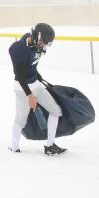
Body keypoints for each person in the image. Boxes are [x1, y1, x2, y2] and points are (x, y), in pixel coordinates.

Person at [8, 23, 66, 156]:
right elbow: (20, 75)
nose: (44, 46)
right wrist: (29, 96)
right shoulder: (17, 49)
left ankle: (49, 146)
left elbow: (31, 66)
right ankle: (13, 147)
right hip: (22, 90)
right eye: (43, 42)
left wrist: (39, 77)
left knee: (56, 111)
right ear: (36, 37)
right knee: (21, 119)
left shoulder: (33, 43)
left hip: (36, 85)